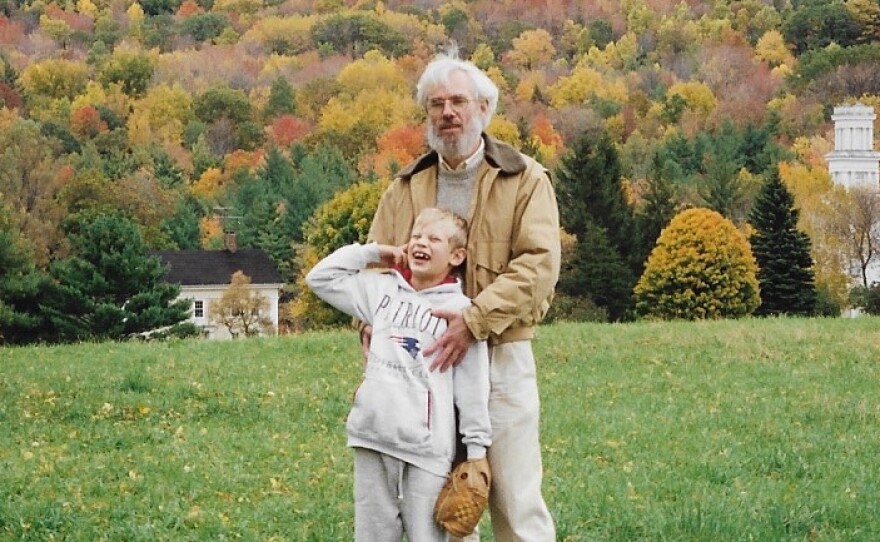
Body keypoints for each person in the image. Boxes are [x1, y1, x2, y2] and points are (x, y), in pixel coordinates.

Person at [365, 49, 561, 541]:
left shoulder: (525, 179)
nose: (447, 113)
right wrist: (368, 322)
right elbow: (374, 263)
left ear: (483, 109)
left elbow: (539, 265)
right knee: (444, 508)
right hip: (422, 367)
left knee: (513, 499)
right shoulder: (405, 187)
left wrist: (473, 321)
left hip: (500, 356)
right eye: (436, 105)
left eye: (457, 101)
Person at [306, 207, 492, 541]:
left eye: (434, 239)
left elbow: (472, 388)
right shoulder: (380, 291)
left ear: (456, 255)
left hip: (427, 449)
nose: (421, 242)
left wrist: (477, 453)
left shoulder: (461, 313)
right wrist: (377, 252)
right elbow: (319, 278)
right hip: (373, 433)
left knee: (428, 535)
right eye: (416, 236)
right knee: (374, 534)